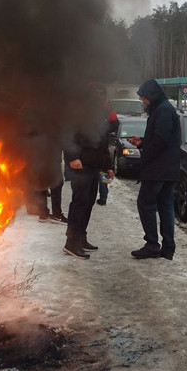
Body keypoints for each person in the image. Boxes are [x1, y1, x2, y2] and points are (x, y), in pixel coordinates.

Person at [128, 79, 181, 260]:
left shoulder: (163, 110)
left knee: (145, 203)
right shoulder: (163, 108)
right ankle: (167, 248)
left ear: (152, 96)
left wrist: (145, 155)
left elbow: (161, 140)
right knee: (165, 206)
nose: (143, 102)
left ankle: (152, 244)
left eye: (144, 98)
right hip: (166, 168)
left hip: (159, 168)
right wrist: (142, 141)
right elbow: (160, 137)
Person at [62, 83, 115, 259]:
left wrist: (108, 165)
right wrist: (71, 157)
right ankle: (71, 243)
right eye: (96, 95)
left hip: (94, 167)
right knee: (79, 203)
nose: (100, 98)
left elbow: (103, 143)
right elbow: (66, 135)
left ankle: (81, 237)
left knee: (88, 203)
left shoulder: (100, 114)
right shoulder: (76, 112)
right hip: (81, 166)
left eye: (102, 95)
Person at [97, 89, 119, 206]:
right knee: (103, 172)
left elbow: (115, 123)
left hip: (97, 143)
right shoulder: (108, 108)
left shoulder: (88, 108)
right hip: (102, 143)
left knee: (101, 172)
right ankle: (103, 196)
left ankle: (102, 196)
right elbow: (116, 124)